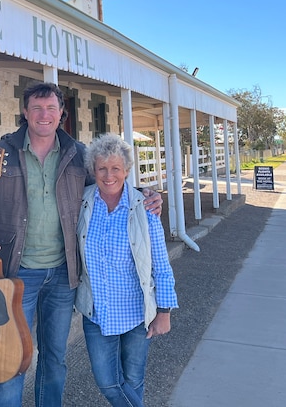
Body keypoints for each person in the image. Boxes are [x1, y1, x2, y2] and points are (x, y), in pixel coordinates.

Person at [0, 82, 163, 407]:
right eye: (37, 108)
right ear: (25, 113)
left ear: (61, 114)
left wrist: (147, 195)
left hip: (62, 277)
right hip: (16, 274)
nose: (44, 115)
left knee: (54, 359)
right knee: (10, 359)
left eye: (51, 109)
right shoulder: (1, 152)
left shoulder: (76, 154)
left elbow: (108, 183)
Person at [75, 133, 178, 407]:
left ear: (127, 170)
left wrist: (164, 312)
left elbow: (161, 266)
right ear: (93, 171)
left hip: (136, 313)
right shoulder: (81, 204)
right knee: (108, 382)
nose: (109, 176)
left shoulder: (144, 208)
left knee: (133, 381)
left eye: (116, 168)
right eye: (102, 169)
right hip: (96, 312)